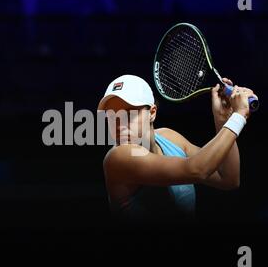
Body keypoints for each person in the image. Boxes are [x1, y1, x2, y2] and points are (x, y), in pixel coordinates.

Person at [97, 75, 257, 224]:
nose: (118, 123)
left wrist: (223, 119)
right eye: (111, 116)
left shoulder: (170, 137)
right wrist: (239, 116)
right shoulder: (118, 157)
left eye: (128, 113)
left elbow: (228, 179)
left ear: (152, 113)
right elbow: (198, 169)